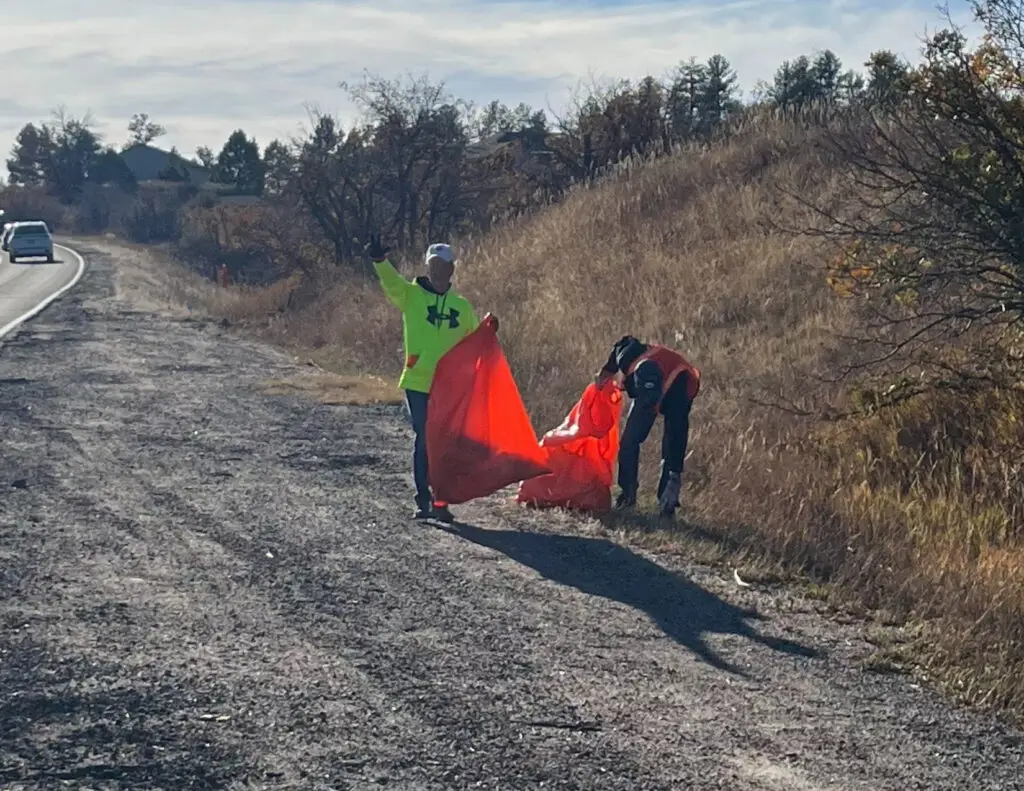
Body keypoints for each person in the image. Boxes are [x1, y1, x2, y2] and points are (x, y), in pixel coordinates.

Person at [366, 234, 482, 523]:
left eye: (444, 265)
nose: (438, 269)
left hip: (450, 387)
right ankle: (423, 500)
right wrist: (380, 261)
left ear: (452, 269)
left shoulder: (462, 307)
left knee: (446, 443)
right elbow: (391, 282)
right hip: (418, 381)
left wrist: (489, 333)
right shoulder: (411, 295)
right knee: (425, 438)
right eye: (433, 264)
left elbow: (476, 345)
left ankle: (441, 501)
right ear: (427, 266)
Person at [594, 335, 701, 517]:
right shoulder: (649, 354)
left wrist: (645, 407)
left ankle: (628, 497)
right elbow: (619, 351)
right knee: (674, 449)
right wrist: (606, 371)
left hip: (659, 389)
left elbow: (648, 396)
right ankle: (666, 503)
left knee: (629, 443)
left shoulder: (640, 364)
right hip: (682, 387)